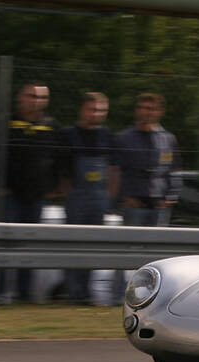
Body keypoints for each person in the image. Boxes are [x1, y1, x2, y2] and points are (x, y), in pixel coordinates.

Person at [57, 92, 119, 304]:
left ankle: (86, 293)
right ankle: (72, 292)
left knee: (93, 247)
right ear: (82, 109)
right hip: (77, 197)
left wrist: (108, 197)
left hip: (99, 198)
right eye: (92, 109)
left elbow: (113, 169)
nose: (96, 114)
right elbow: (63, 172)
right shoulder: (68, 134)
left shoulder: (108, 136)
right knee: (72, 246)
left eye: (101, 110)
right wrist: (70, 196)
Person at [0, 82, 59, 302]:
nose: (36, 100)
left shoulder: (50, 126)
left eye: (41, 97)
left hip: (36, 198)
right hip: (9, 196)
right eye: (31, 95)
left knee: (28, 248)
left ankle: (24, 295)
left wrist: (53, 187)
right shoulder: (6, 123)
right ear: (20, 97)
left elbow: (58, 158)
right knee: (4, 246)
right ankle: (0, 294)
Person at [117, 93, 180, 227]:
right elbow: (116, 171)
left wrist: (171, 197)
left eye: (152, 109)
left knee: (157, 245)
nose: (147, 112)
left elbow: (174, 170)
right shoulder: (123, 138)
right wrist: (124, 197)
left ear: (160, 112)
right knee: (132, 245)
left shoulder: (169, 139)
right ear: (136, 110)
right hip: (134, 203)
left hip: (159, 205)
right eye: (143, 108)